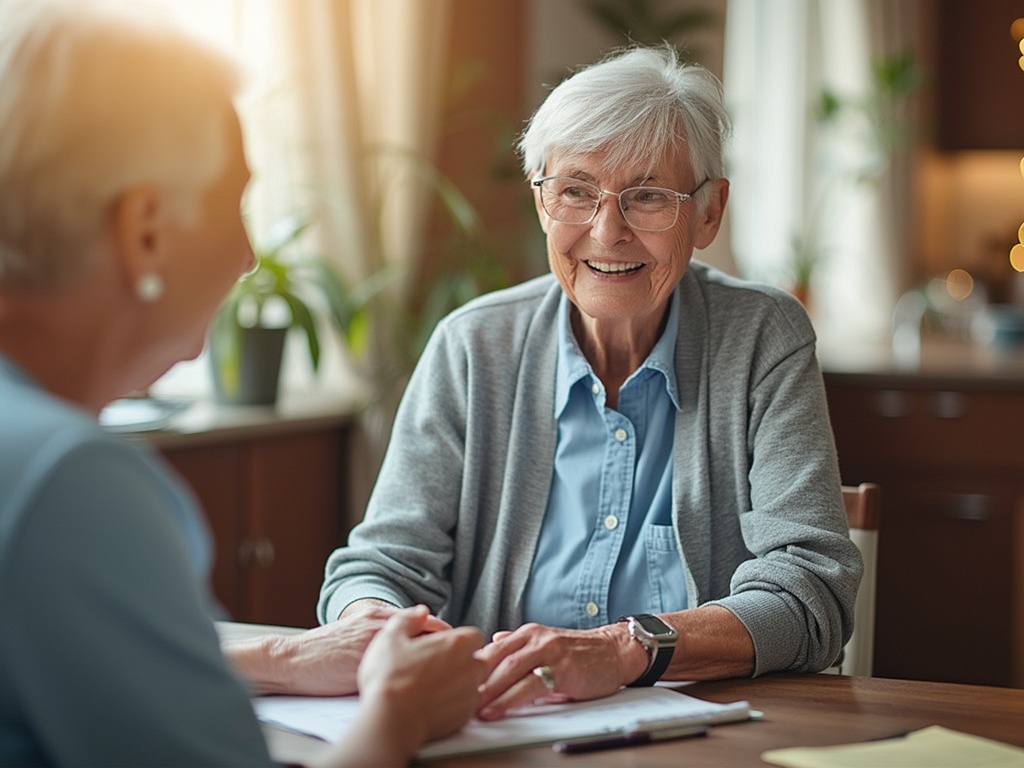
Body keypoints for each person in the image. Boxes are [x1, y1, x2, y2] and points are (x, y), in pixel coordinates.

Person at [0, 1, 485, 766]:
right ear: (145, 231)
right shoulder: (70, 484)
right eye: (237, 202)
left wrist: (284, 660)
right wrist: (399, 710)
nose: (252, 255)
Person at [318, 44, 864, 721]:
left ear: (709, 213)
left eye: (648, 197)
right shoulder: (473, 345)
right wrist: (375, 626)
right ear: (543, 203)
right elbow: (380, 566)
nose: (608, 232)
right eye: (577, 190)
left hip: (702, 744)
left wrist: (627, 647)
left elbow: (811, 591)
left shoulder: (760, 338)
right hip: (498, 733)